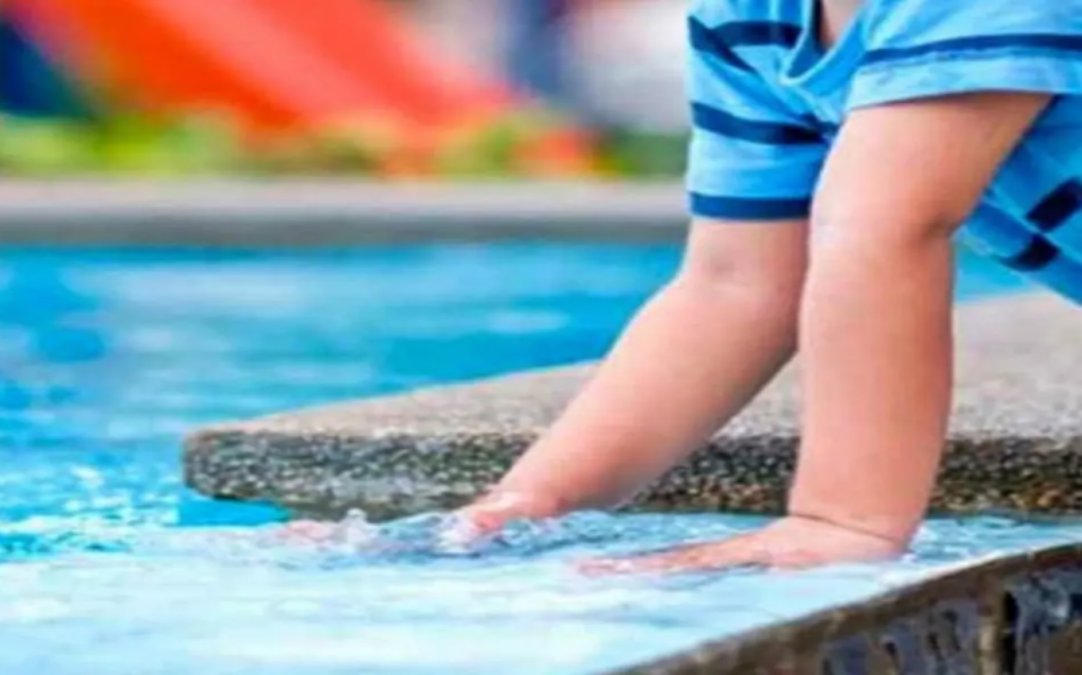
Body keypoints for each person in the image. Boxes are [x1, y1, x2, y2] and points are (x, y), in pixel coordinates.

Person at [292, 0, 1082, 572]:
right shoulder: (750, 22)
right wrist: (532, 499)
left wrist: (844, 519)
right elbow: (735, 283)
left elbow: (883, 227)